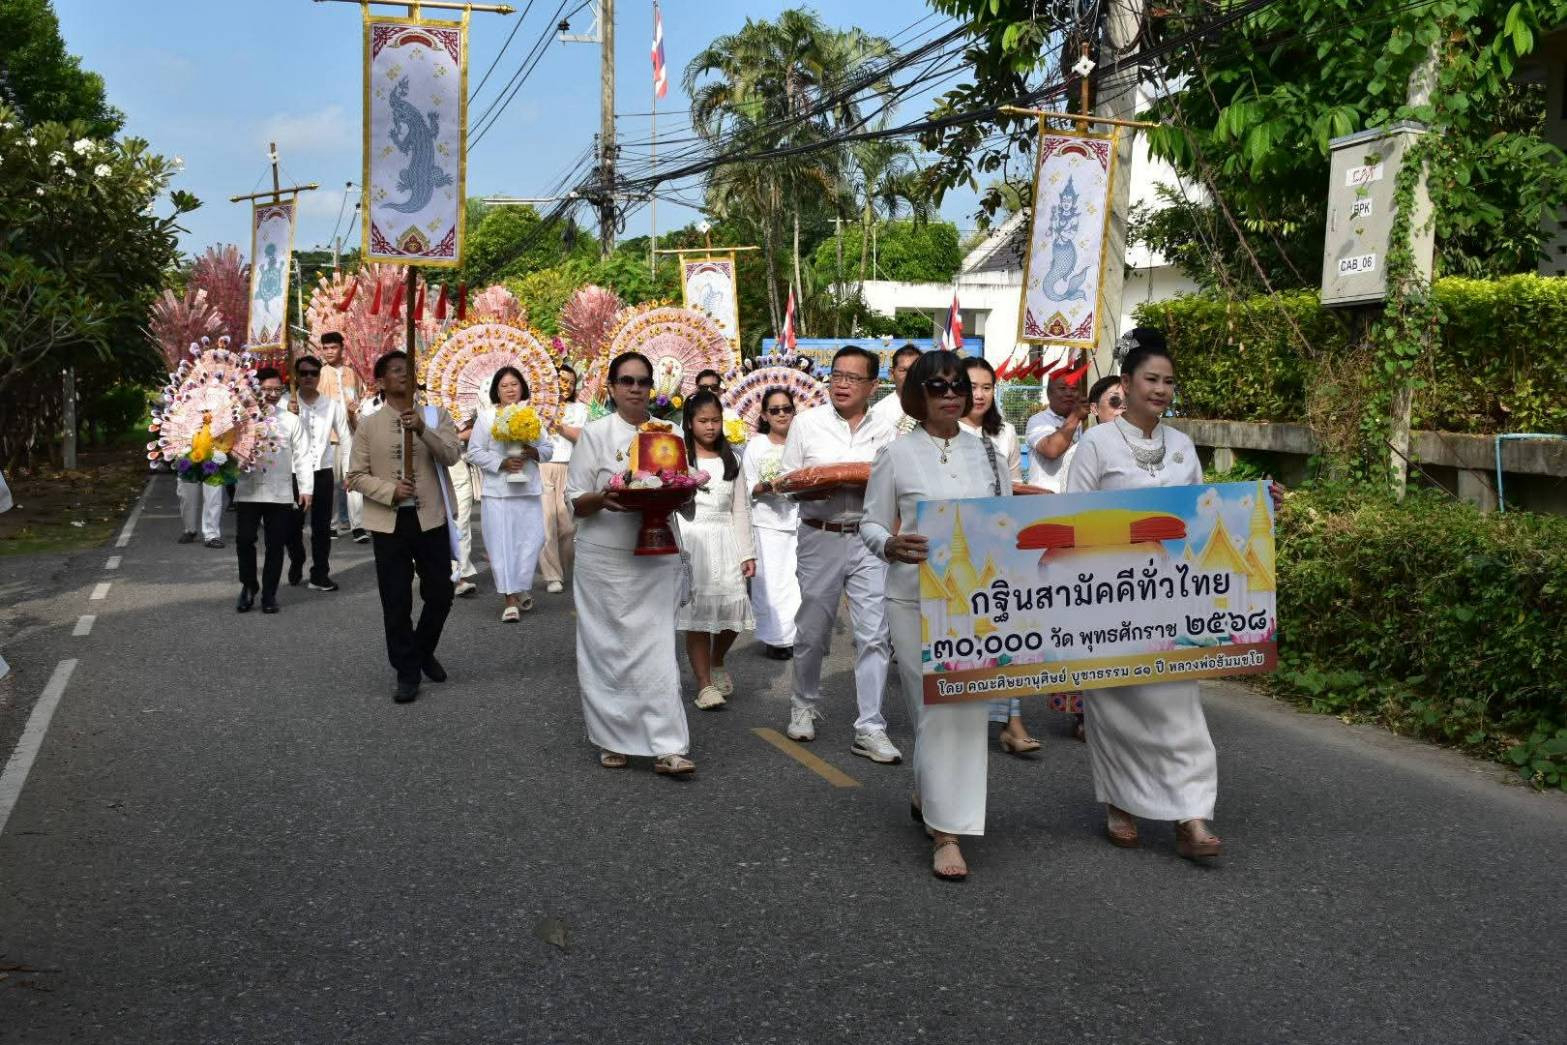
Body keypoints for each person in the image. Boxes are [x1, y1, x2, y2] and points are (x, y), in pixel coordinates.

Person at [1063, 340, 1224, 858]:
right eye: (1151, 379)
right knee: (1115, 706)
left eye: (1168, 381)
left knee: (1181, 709)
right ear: (1126, 385)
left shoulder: (1182, 445)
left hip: (1172, 599)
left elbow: (1203, 513)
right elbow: (1071, 522)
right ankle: (1120, 804)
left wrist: (1259, 506)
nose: (1160, 390)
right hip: (1109, 598)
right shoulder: (1096, 445)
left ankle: (1191, 815)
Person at [862, 349, 1010, 881]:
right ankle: (939, 815)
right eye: (938, 386)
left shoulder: (990, 455)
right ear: (918, 394)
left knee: (963, 712)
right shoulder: (896, 454)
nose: (950, 394)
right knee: (931, 710)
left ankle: (946, 822)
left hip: (974, 602)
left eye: (958, 386)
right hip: (913, 597)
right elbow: (871, 524)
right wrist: (891, 545)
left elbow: (1006, 525)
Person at [566, 351, 697, 776]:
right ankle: (611, 737)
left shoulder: (670, 432)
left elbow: (687, 489)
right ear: (611, 387)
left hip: (656, 554)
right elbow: (576, 500)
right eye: (627, 381)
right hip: (603, 557)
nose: (636, 389)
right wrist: (605, 496)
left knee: (657, 648)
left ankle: (668, 745)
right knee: (606, 648)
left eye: (643, 381)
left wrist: (675, 492)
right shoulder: (595, 434)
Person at [778, 345, 901, 765]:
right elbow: (786, 481)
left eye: (853, 377)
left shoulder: (886, 428)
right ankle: (803, 703)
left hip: (869, 538)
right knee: (813, 628)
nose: (843, 383)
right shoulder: (807, 424)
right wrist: (815, 486)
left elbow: (894, 486)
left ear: (871, 385)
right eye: (837, 375)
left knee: (874, 633)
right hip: (820, 534)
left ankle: (870, 725)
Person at [346, 351, 462, 704]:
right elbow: (354, 476)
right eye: (396, 371)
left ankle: (422, 650)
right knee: (395, 601)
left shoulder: (435, 415)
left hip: (432, 519)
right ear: (382, 381)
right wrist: (389, 491)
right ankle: (407, 671)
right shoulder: (369, 424)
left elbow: (452, 455)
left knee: (441, 592)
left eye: (408, 370)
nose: (403, 375)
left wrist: (423, 430)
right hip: (389, 521)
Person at [959, 356, 1041, 756]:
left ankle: (1013, 720)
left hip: (1003, 547)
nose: (979, 394)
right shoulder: (945, 433)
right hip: (960, 548)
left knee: (1009, 630)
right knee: (968, 637)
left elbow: (1015, 484)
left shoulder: (1005, 432)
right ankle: (967, 721)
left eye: (987, 387)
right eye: (971, 386)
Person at [677, 391, 757, 710]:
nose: (710, 427)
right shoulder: (679, 460)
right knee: (697, 616)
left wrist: (747, 552)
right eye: (703, 421)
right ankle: (704, 685)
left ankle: (717, 659)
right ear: (689, 423)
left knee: (730, 614)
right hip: (691, 540)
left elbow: (741, 509)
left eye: (715, 420)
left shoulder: (733, 459)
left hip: (726, 540)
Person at [467, 367, 553, 622]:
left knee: (532, 541)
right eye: (504, 385)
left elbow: (548, 449)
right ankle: (509, 600)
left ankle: (518, 586)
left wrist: (532, 452)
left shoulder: (531, 416)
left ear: (522, 387)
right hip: (499, 493)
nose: (510, 389)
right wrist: (501, 463)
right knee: (502, 545)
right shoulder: (485, 418)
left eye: (514, 384)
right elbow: (474, 452)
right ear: (496, 390)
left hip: (527, 490)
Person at [233, 368, 312, 614]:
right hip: (248, 490)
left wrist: (306, 488)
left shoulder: (290, 420)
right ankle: (248, 586)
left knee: (275, 545)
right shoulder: (241, 418)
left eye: (278, 389)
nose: (273, 394)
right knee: (244, 540)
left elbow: (303, 455)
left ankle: (269, 593)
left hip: (280, 492)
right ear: (256, 389)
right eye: (267, 389)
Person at [742, 387, 801, 661]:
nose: (781, 414)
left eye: (786, 408)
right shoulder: (756, 446)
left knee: (798, 582)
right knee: (772, 585)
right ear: (765, 415)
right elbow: (747, 488)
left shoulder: (803, 443)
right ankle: (776, 639)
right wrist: (768, 486)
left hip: (800, 520)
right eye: (774, 410)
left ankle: (799, 636)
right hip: (767, 524)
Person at [290, 355, 351, 591]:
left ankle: (320, 573)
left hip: (322, 472)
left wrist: (349, 472)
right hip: (294, 473)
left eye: (313, 373)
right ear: (296, 375)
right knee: (291, 527)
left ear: (319, 376)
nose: (308, 377)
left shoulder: (332, 405)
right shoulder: (288, 403)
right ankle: (297, 558)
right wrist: (287, 415)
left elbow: (345, 439)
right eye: (303, 373)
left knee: (322, 527)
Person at [541, 364, 588, 594]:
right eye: (561, 380)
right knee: (546, 523)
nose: (565, 385)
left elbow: (580, 437)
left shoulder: (579, 408)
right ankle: (552, 575)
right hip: (542, 467)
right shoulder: (537, 406)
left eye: (570, 381)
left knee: (568, 527)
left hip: (569, 467)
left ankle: (563, 565)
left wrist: (557, 424)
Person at [317, 331, 367, 543]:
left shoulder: (353, 374)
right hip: (329, 437)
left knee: (353, 481)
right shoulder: (319, 374)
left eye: (333, 347)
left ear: (341, 349)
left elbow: (359, 400)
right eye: (325, 348)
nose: (329, 352)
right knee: (333, 483)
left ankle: (358, 527)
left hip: (351, 433)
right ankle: (332, 525)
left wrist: (354, 412)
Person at [1025, 371, 1089, 492]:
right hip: (1045, 500)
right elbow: (1051, 450)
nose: (1069, 393)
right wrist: (1075, 417)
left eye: (1074, 389)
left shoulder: (1081, 421)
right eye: (1062, 388)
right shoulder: (1038, 421)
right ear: (1049, 393)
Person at [449, 411, 481, 599]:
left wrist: (456, 435)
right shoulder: (417, 405)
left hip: (459, 469)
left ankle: (459, 576)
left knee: (461, 525)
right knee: (438, 527)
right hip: (432, 473)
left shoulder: (461, 402)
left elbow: (474, 430)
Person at [868, 343, 921, 435]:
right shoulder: (879, 413)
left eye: (916, 370)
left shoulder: (936, 408)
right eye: (904, 370)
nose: (910, 376)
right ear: (891, 374)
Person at [177, 474, 225, 548]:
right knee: (187, 495)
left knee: (213, 495)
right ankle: (190, 529)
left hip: (213, 463)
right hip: (188, 463)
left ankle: (212, 535)